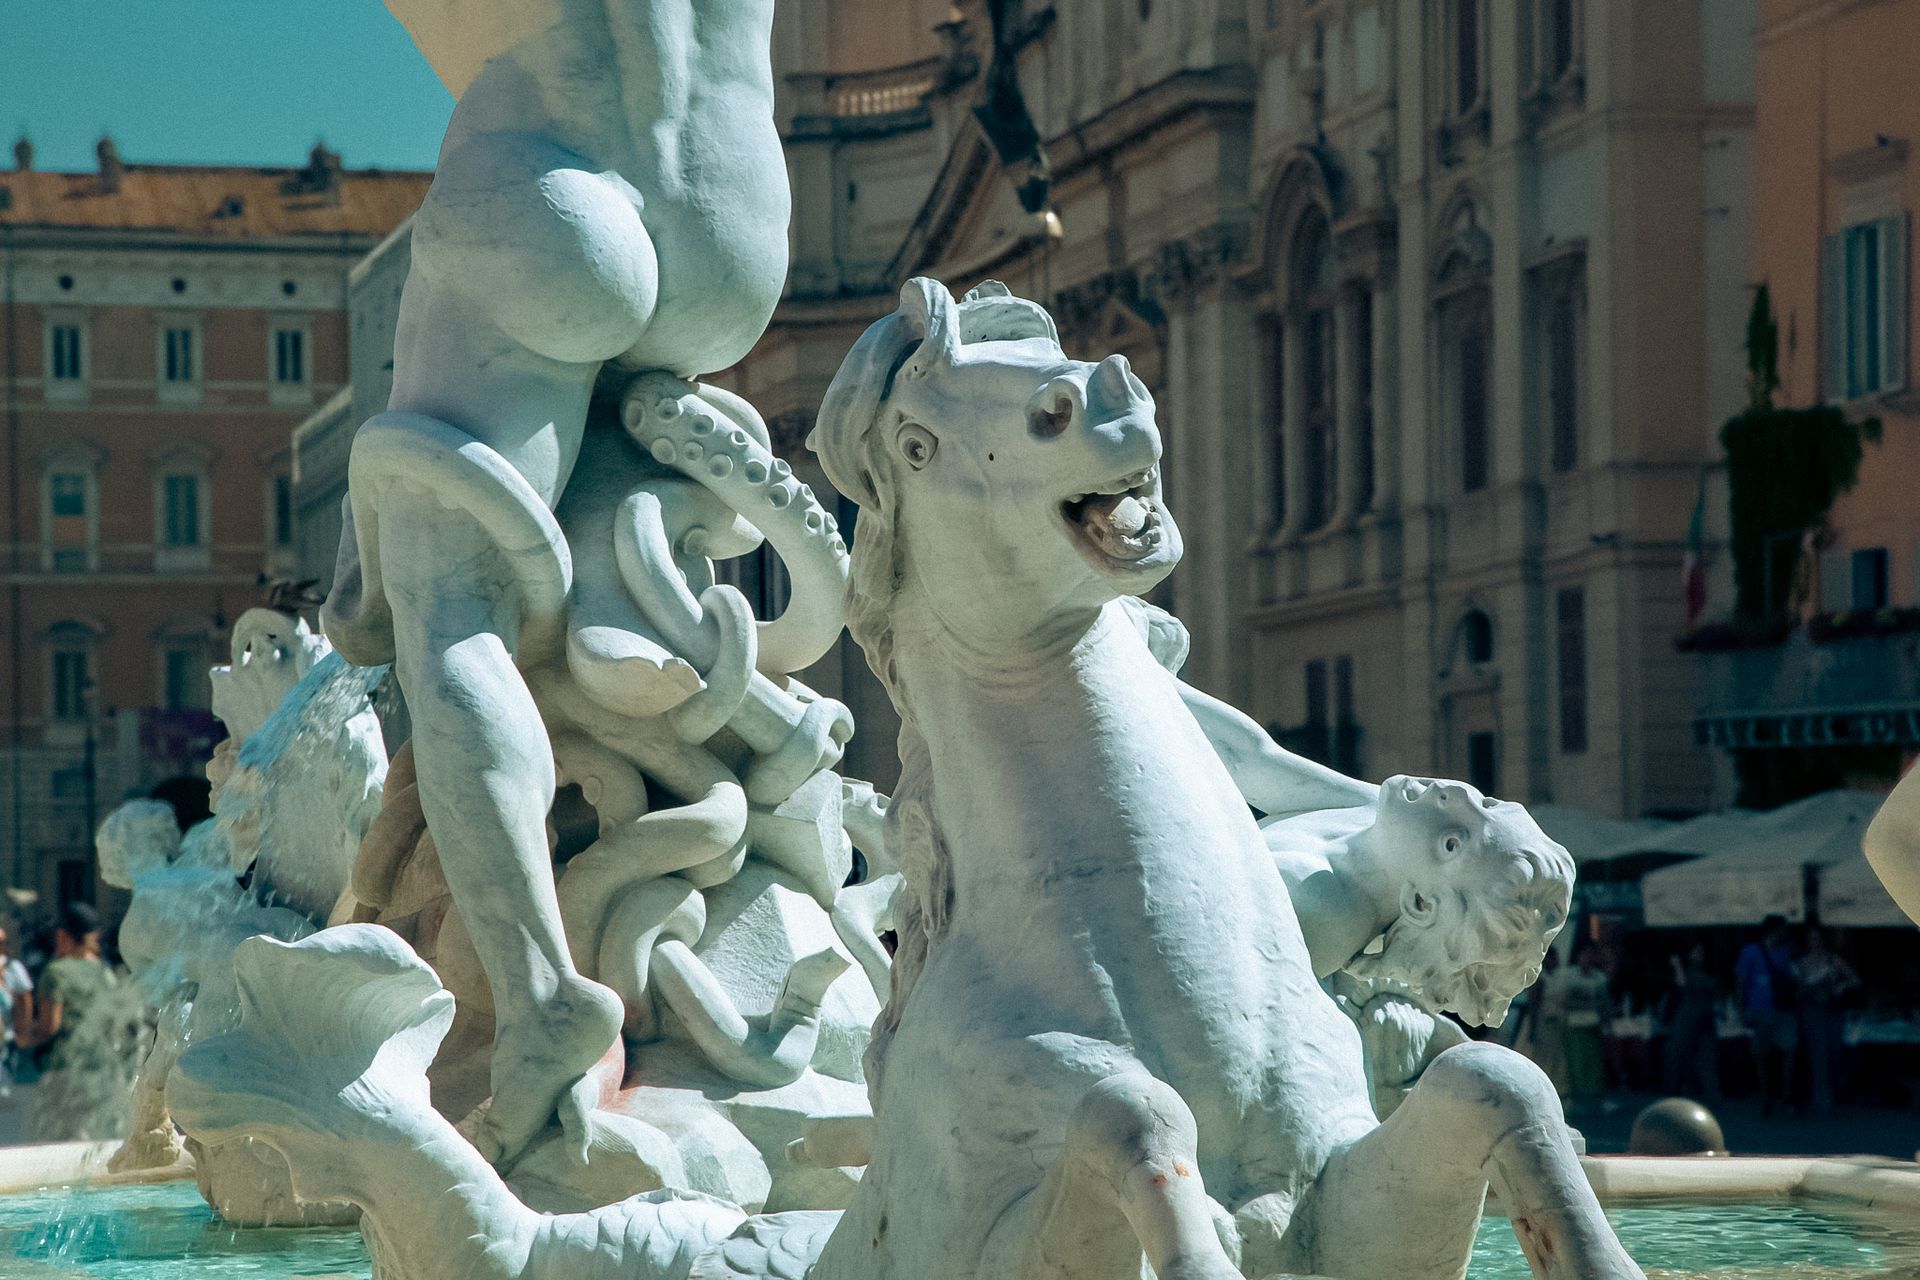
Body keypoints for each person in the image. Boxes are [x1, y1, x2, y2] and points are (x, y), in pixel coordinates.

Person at [1735, 915, 1800, 1114]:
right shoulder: (1750, 952)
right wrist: (1742, 1008)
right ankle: (1766, 1096)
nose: (1786, 933)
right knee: (1761, 1054)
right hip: (1761, 1009)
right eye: (1783, 929)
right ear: (1774, 930)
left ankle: (1785, 1095)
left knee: (1789, 1050)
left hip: (1784, 1008)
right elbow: (1741, 981)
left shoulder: (1787, 952)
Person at [1794, 927, 1857, 1113]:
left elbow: (1855, 979)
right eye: (1812, 939)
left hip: (1832, 1010)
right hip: (1812, 1012)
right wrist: (1810, 984)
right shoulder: (1802, 963)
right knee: (1817, 1054)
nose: (1816, 943)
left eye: (1818, 939)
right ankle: (1821, 1097)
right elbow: (1797, 992)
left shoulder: (1832, 960)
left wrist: (1841, 985)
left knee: (1835, 1052)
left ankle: (1836, 1094)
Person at [1663, 942, 1721, 1100]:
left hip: (1701, 1020)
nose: (1699, 955)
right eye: (1696, 951)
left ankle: (1709, 1094)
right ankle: (1689, 1091)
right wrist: (1677, 965)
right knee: (1686, 1056)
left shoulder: (1704, 973)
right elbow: (1682, 984)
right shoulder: (1688, 972)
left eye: (1701, 951)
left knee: (1704, 1057)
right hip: (1689, 1020)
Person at [1563, 943, 1611, 1104]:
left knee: (1594, 1061)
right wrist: (1589, 1003)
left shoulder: (1599, 977)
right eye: (1585, 955)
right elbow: (1567, 1001)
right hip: (1575, 1024)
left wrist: (1606, 1022)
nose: (1588, 958)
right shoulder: (1569, 976)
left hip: (1593, 1024)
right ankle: (1579, 1096)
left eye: (1591, 955)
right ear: (1578, 957)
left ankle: (1594, 1096)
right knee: (1577, 1061)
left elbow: (1604, 1002)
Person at [0, 923, 31, 1081]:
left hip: (7, 1042)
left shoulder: (13, 967)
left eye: (2, 943)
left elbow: (26, 1001)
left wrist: (23, 1034)